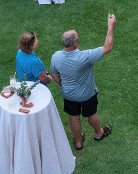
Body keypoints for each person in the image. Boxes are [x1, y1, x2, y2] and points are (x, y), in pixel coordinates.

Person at [50, 15, 117, 150]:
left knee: (73, 117)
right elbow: (107, 47)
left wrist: (63, 86)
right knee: (92, 114)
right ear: (75, 43)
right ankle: (99, 133)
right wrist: (111, 26)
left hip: (68, 94)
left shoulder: (56, 56)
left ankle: (78, 142)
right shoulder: (85, 57)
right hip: (87, 95)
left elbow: (55, 74)